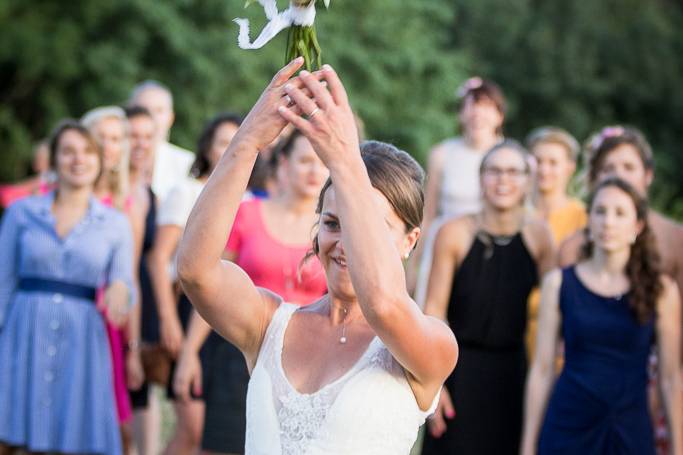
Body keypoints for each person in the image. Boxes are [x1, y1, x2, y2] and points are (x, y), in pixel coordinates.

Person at [176, 58, 458, 454]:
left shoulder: (432, 344)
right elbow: (195, 271)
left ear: (410, 240)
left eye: (369, 228)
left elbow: (382, 303)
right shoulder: (269, 324)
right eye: (332, 223)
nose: (344, 243)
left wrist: (345, 160)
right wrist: (247, 141)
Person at [173, 129, 329, 454]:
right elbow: (211, 284)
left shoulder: (331, 230)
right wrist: (189, 353)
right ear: (283, 164)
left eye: (322, 162)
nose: (314, 170)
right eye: (305, 160)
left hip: (308, 361)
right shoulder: (247, 214)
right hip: (238, 350)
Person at [0, 121, 133, 455]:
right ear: (54, 159)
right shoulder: (21, 213)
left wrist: (119, 290)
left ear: (99, 160)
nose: (78, 159)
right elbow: (3, 280)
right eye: (69, 151)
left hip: (81, 336)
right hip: (23, 332)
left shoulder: (115, 223)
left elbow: (124, 280)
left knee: (72, 435)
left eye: (87, 151)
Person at [521, 177, 682, 454]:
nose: (608, 221)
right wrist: (527, 446)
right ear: (589, 221)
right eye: (600, 211)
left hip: (630, 429)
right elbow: (543, 369)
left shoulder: (661, 290)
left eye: (620, 213)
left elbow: (670, 379)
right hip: (568, 424)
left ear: (637, 226)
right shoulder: (558, 284)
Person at [420, 140, 554, 454]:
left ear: (526, 181)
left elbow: (554, 311)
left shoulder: (539, 236)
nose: (503, 179)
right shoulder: (453, 233)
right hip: (458, 371)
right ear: (480, 179)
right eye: (493, 171)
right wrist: (435, 383)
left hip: (513, 375)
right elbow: (434, 310)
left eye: (512, 172)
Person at [558, 125, 683, 452]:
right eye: (609, 168)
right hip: (580, 390)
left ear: (647, 174)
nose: (620, 176)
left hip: (644, 385)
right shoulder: (573, 251)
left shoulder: (675, 239)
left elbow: (673, 360)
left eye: (628, 167)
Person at [146, 112, 241, 455]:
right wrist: (169, 319)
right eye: (222, 142)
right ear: (207, 148)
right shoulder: (186, 191)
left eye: (237, 140)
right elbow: (159, 259)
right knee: (191, 426)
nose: (230, 148)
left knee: (210, 433)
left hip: (228, 318)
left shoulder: (252, 199)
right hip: (187, 306)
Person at [410, 77, 505, 306]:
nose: (477, 114)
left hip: (489, 251)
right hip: (441, 247)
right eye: (470, 106)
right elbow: (428, 213)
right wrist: (413, 264)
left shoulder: (509, 156)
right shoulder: (442, 154)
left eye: (486, 107)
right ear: (461, 114)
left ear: (499, 115)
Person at [526, 127, 587, 360]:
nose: (544, 169)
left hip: (564, 334)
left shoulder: (583, 218)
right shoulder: (515, 215)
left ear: (570, 168)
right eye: (538, 160)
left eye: (553, 162)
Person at [124, 105, 162, 455]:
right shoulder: (117, 192)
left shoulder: (151, 190)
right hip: (121, 304)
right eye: (132, 135)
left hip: (143, 305)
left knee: (142, 398)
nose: (140, 143)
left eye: (147, 136)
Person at [129, 80, 194, 201]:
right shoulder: (112, 161)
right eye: (144, 109)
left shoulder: (188, 164)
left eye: (159, 110)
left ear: (170, 118)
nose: (151, 117)